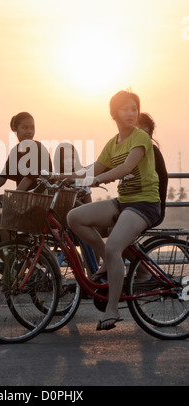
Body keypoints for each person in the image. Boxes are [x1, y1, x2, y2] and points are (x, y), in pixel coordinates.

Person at [66, 90, 161, 331]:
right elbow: (93, 167)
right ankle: (109, 262)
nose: (131, 113)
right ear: (114, 113)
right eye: (125, 109)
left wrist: (96, 180)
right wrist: (63, 176)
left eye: (134, 108)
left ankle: (112, 309)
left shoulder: (140, 138)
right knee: (74, 217)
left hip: (144, 204)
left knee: (114, 247)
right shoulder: (113, 142)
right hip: (124, 202)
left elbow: (125, 168)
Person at [0, 112, 52, 246]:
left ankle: (12, 265)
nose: (29, 132)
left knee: (5, 224)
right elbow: (2, 178)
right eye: (25, 128)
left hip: (39, 206)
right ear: (15, 130)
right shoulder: (16, 151)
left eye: (32, 128)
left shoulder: (37, 149)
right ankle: (17, 262)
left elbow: (29, 179)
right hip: (25, 205)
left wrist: (11, 198)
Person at [138, 112, 168, 225]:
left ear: (150, 131)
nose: (139, 129)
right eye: (136, 125)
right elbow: (108, 166)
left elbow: (163, 178)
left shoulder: (152, 151)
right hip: (131, 204)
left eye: (143, 126)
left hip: (147, 208)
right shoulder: (128, 151)